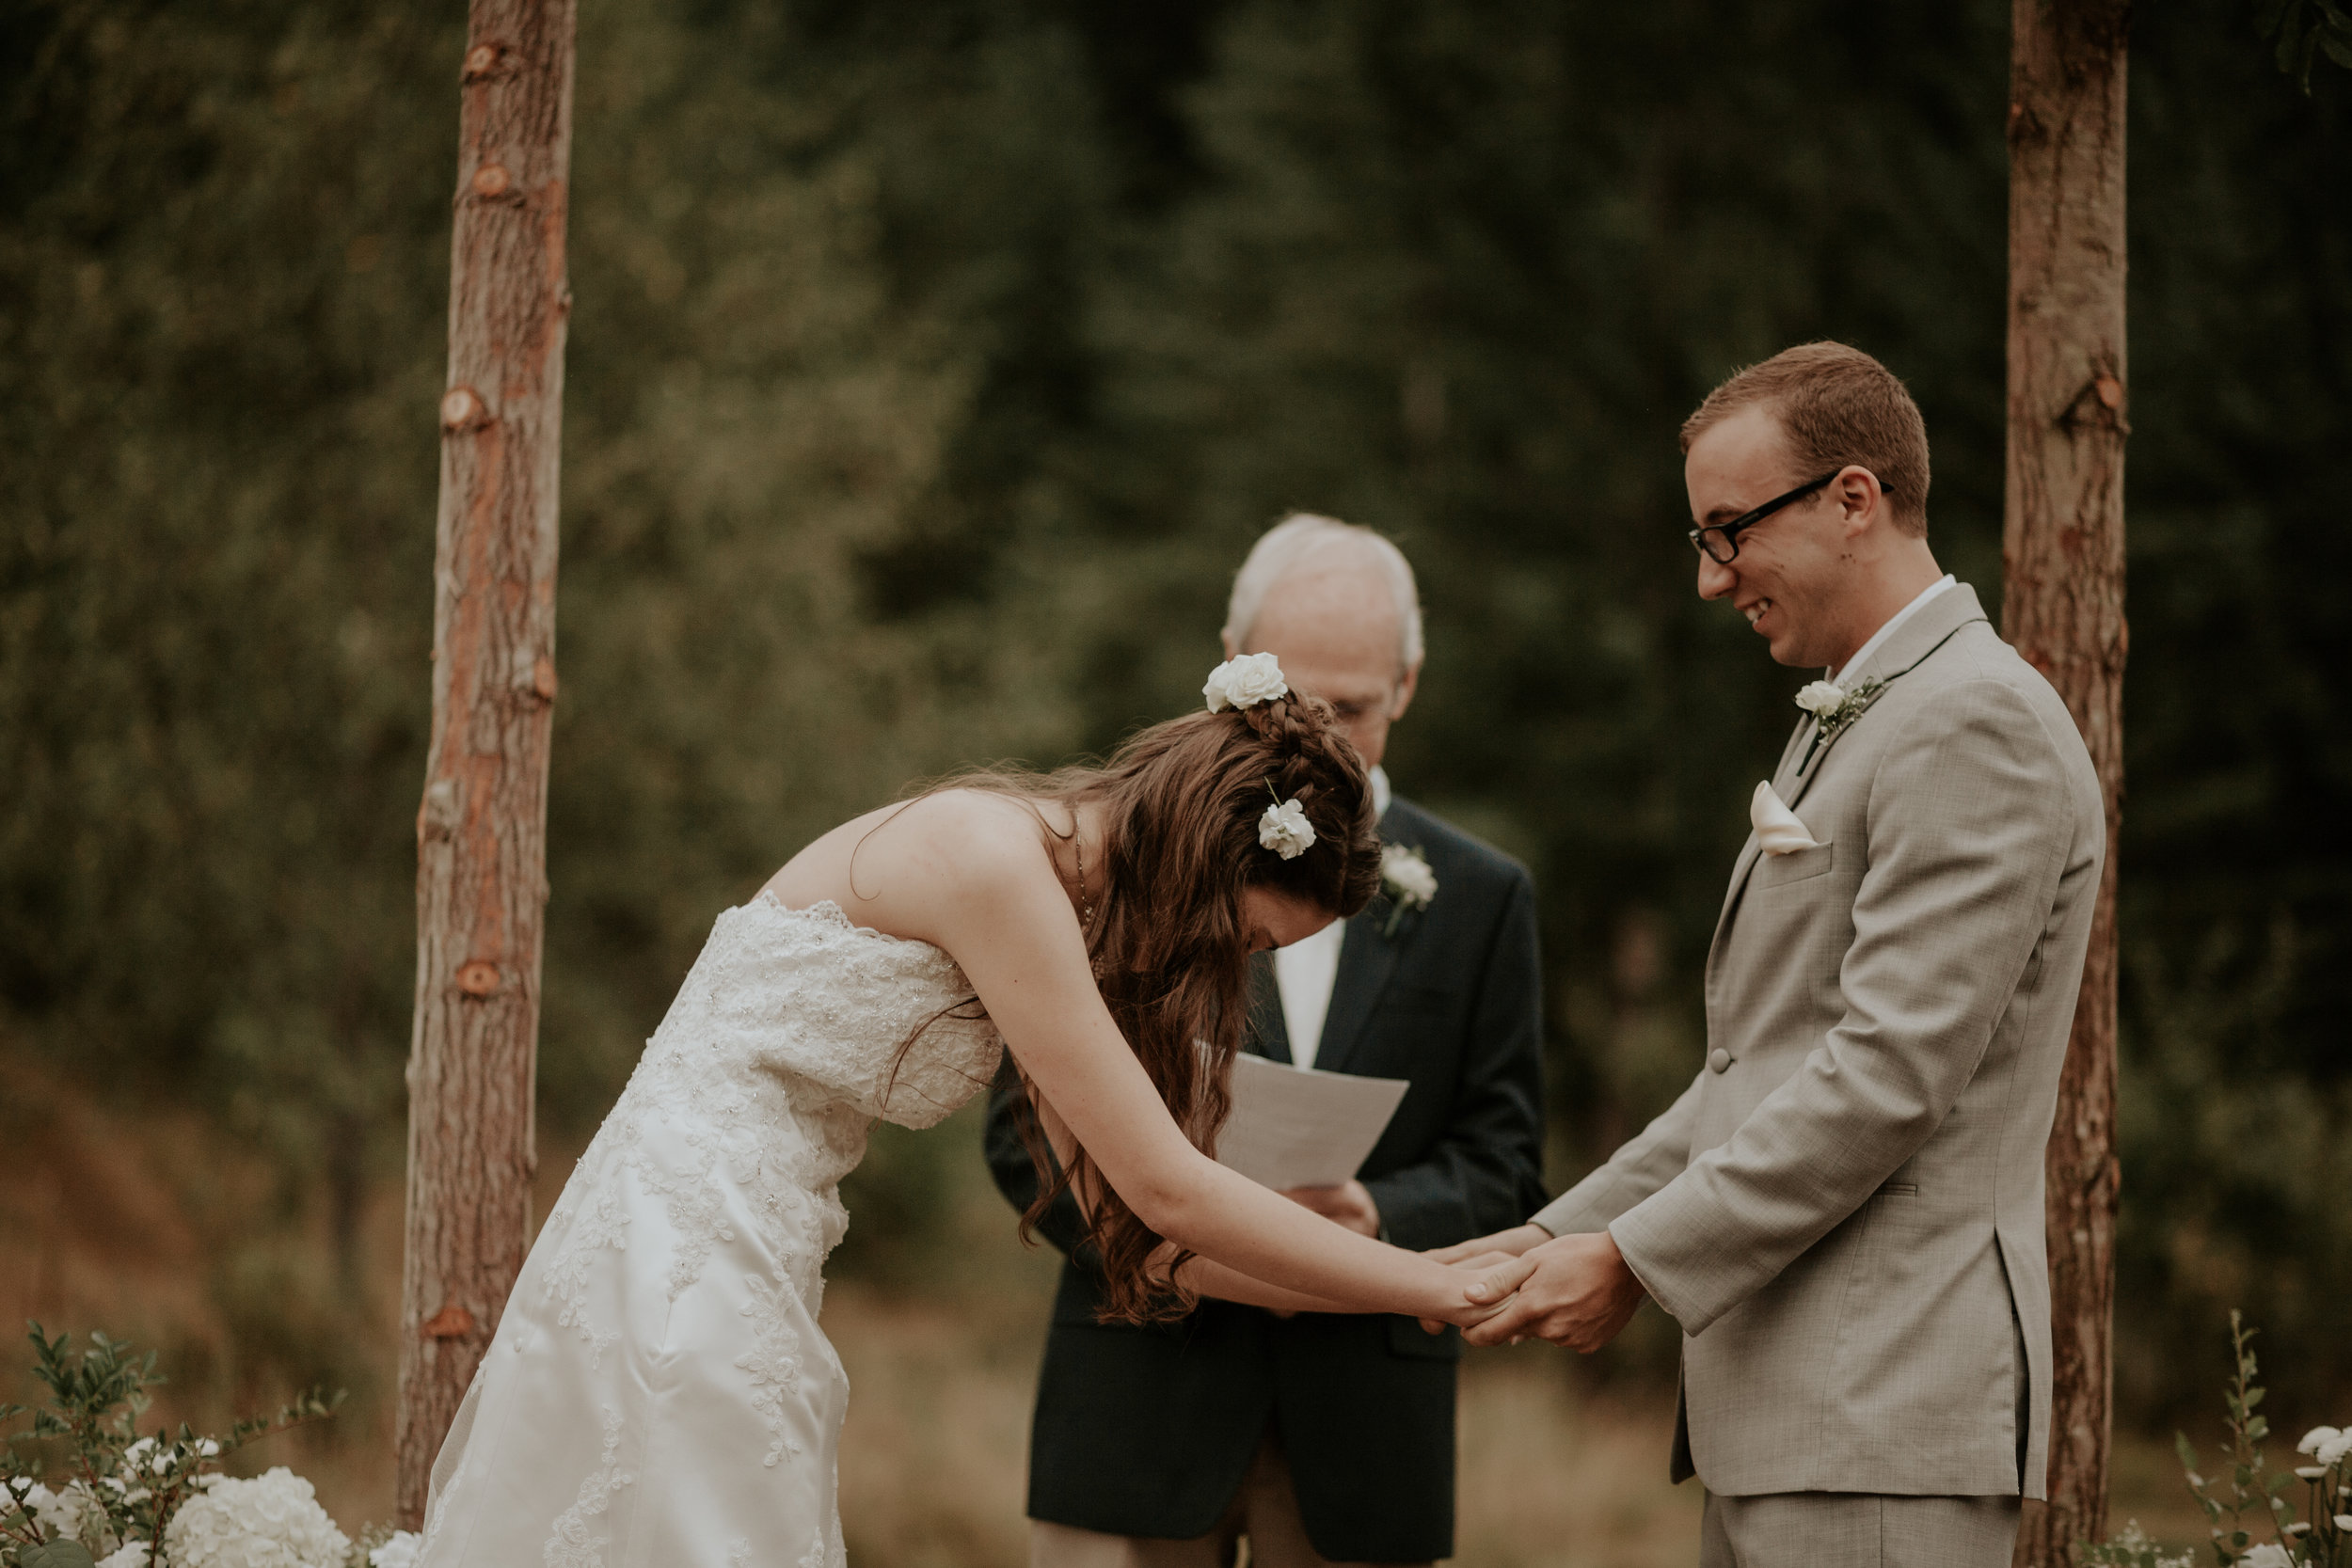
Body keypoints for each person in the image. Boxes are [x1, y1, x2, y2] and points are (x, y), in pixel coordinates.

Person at [409, 662, 1534, 1568]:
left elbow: (1157, 1240)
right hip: (684, 1225)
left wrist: (1428, 1277)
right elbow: (1170, 1185)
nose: (1230, 969)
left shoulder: (1068, 909)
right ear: (1206, 861)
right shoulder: (994, 863)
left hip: (761, 1223)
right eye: (1246, 938)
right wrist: (1432, 1286)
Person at [1438, 342, 2106, 1568]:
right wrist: (1547, 1236)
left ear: (1855, 500)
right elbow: (1759, 1069)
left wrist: (1635, 1258)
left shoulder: (1974, 718)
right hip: (1796, 1420)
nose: (1710, 577)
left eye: (1729, 529)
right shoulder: (1864, 709)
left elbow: (1886, 1074)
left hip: (1882, 1416)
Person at [988, 515, 1547, 1568]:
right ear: (1230, 666)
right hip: (1139, 1387)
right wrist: (1168, 1240)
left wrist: (1371, 1213)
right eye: (1292, 698)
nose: (1319, 728)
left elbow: (1506, 1158)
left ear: (1410, 684)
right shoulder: (1124, 857)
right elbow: (1024, 1132)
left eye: (1356, 705)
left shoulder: (1483, 894)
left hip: (1361, 1420)